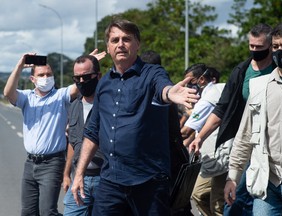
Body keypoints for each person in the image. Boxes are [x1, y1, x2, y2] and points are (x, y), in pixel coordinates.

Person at [71, 19, 198, 216]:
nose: (120, 44)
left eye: (126, 39)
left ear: (137, 44)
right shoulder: (103, 84)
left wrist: (170, 93)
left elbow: (162, 87)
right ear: (108, 47)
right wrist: (79, 174)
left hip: (148, 183)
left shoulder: (152, 73)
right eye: (115, 40)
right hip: (111, 183)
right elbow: (92, 132)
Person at [189, 23, 275, 215]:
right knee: (232, 203)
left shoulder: (279, 70)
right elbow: (222, 110)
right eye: (251, 46)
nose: (254, 51)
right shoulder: (242, 71)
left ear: (271, 45)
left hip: (274, 147)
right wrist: (200, 137)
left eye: (259, 47)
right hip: (245, 143)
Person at [224, 22, 282, 215]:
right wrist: (232, 176)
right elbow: (245, 135)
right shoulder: (259, 86)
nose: (279, 51)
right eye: (275, 46)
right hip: (268, 181)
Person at [3, 54, 79, 216]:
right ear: (32, 78)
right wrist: (19, 65)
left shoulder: (60, 96)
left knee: (47, 212)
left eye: (49, 74)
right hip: (30, 163)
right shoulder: (26, 98)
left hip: (52, 162)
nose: (46, 78)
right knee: (28, 212)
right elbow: (8, 92)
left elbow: (79, 85)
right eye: (41, 75)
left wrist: (89, 65)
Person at [141, 50, 191, 215]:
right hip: (174, 157)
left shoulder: (154, 91)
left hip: (163, 161)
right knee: (179, 206)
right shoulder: (166, 88)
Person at [180, 64, 226, 216]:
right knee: (197, 194)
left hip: (222, 158)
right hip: (213, 158)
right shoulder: (220, 89)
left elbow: (187, 131)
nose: (187, 86)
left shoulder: (208, 99)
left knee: (218, 204)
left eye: (190, 81)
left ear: (200, 80)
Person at [63, 54, 104, 215]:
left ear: (98, 76)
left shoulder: (110, 104)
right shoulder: (74, 106)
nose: (81, 82)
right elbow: (73, 144)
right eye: (77, 78)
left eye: (86, 77)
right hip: (80, 179)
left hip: (106, 179)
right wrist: (66, 174)